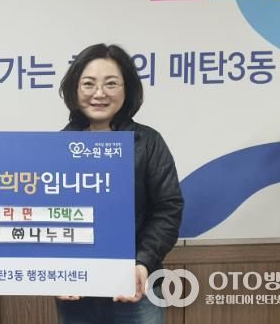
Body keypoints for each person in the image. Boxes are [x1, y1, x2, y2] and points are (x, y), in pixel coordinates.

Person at [55, 43, 184, 324]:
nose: (99, 93)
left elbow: (168, 208)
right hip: (76, 291)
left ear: (127, 89)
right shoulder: (56, 147)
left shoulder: (148, 143)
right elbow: (43, 214)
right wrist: (57, 269)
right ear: (75, 89)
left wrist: (143, 262)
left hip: (137, 286)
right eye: (89, 83)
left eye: (111, 83)